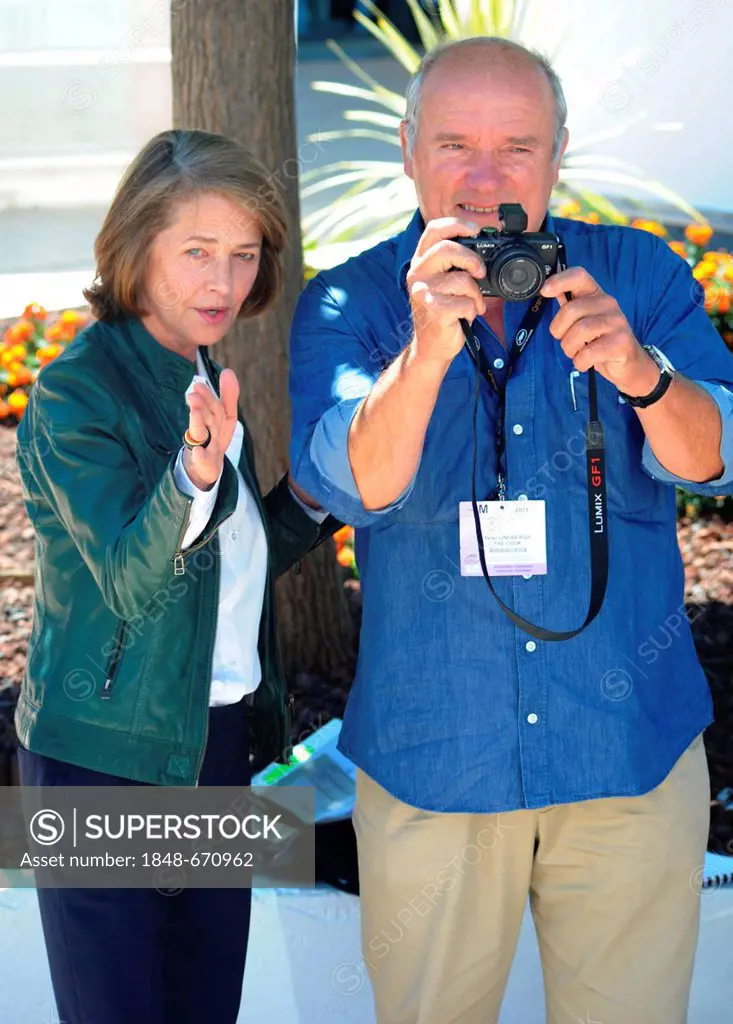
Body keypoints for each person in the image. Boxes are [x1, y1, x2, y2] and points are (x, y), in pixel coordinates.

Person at [289, 37, 733, 1024]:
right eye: (454, 144)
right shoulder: (348, 300)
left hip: (623, 754)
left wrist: (641, 372)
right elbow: (348, 483)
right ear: (407, 150)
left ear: (558, 153)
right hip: (435, 760)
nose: (485, 180)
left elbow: (714, 456)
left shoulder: (636, 273)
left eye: (516, 148)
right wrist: (423, 352)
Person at [14, 128, 335, 1024]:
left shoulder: (200, 368)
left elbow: (218, 567)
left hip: (213, 744)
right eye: (197, 252)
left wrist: (309, 498)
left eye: (241, 255)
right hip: (101, 754)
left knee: (203, 1009)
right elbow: (128, 575)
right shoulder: (77, 391)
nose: (223, 282)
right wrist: (193, 472)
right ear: (133, 247)